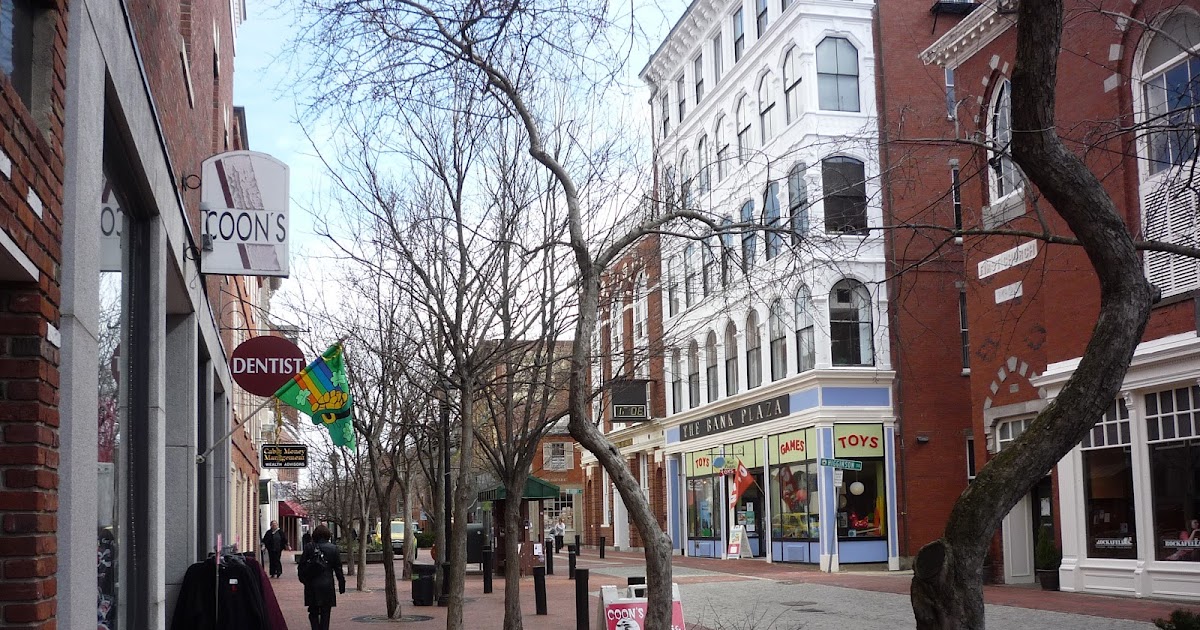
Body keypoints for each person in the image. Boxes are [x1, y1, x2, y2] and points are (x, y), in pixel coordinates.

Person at [300, 524, 344, 630]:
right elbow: (338, 568)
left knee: (313, 611)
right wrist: (341, 583)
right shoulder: (333, 549)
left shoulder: (309, 547)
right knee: (326, 612)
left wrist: (304, 580)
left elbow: (301, 566)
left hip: (312, 584)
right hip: (327, 584)